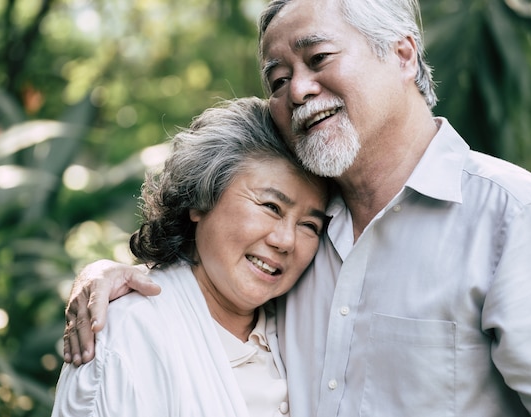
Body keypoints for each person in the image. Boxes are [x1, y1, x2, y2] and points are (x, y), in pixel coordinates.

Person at [62, 0, 531, 415]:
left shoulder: (512, 217)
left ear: (402, 54)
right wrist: (110, 278)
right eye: (278, 79)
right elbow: (201, 301)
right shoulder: (306, 229)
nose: (297, 90)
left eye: (319, 57)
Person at [52, 96, 329, 416]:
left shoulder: (299, 325)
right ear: (201, 198)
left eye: (310, 225)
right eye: (270, 206)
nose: (286, 241)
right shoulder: (131, 334)